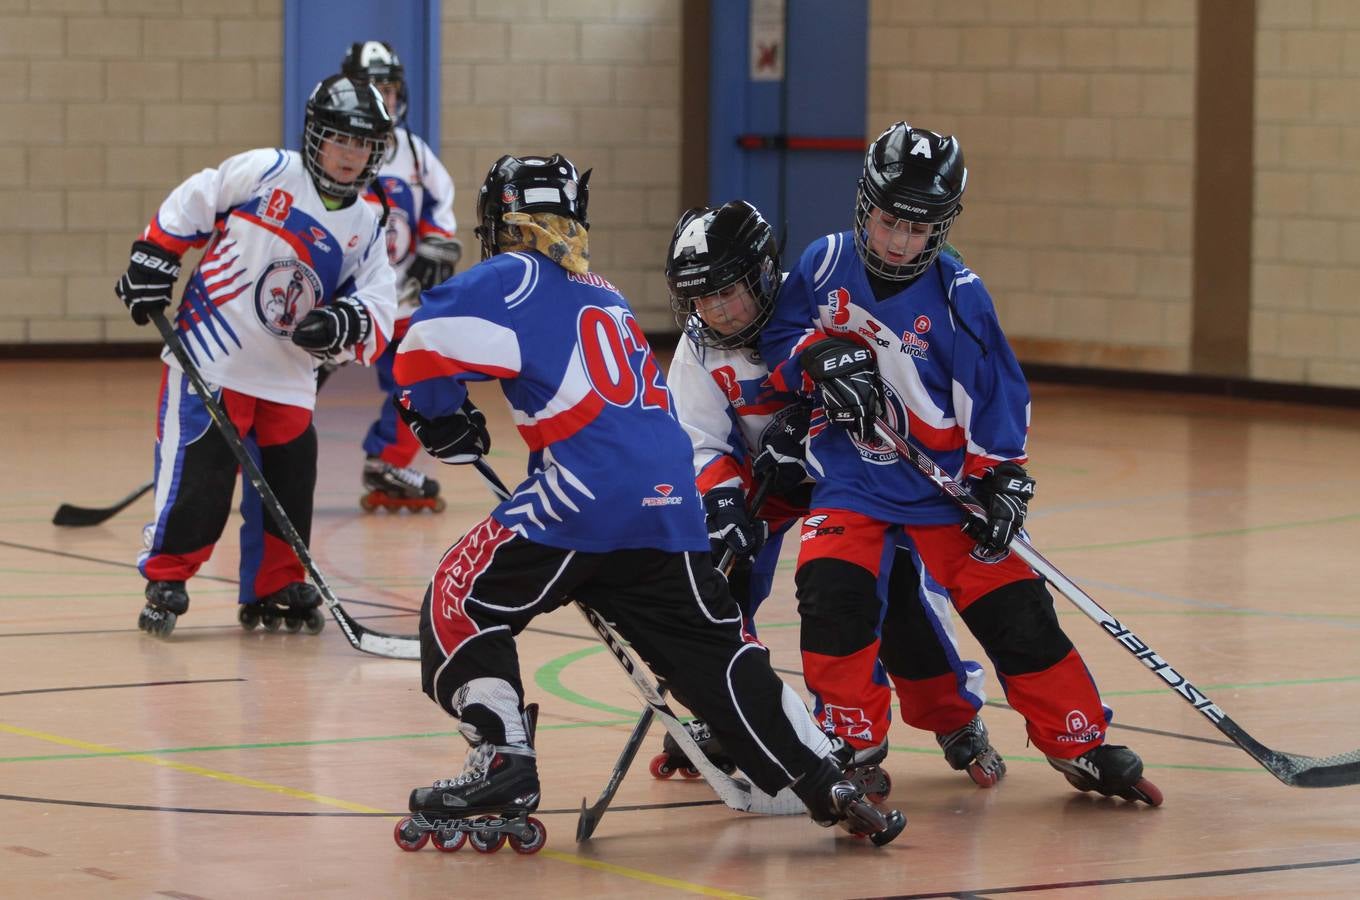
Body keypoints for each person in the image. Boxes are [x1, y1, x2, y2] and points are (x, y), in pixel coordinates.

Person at [388, 154, 906, 852]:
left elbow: (422, 340)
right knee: (712, 650)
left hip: (584, 496)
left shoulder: (516, 272)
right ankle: (823, 776)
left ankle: (502, 755)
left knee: (459, 594)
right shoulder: (600, 290)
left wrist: (438, 412)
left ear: (503, 223)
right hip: (669, 501)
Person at [757, 122, 1161, 806]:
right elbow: (781, 337)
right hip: (852, 482)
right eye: (888, 222)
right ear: (866, 207)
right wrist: (814, 360)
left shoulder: (959, 295)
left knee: (1019, 612)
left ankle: (1078, 741)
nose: (898, 243)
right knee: (832, 598)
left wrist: (1001, 481)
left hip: (945, 491)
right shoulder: (825, 264)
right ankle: (851, 742)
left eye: (919, 230)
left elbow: (998, 396)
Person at [658, 199, 1005, 790]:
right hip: (759, 487)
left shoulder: (816, 301)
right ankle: (726, 715)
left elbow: (885, 384)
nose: (714, 311)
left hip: (843, 481)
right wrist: (720, 502)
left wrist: (812, 421)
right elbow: (696, 439)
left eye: (727, 291)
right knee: (716, 585)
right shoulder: (698, 352)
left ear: (765, 275)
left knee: (893, 598)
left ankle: (952, 716)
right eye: (699, 298)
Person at [117, 75, 398, 637]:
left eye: (362, 144)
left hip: (289, 377)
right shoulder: (268, 170)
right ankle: (168, 574)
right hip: (211, 361)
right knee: (200, 477)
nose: (349, 154)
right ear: (315, 136)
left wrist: (348, 320)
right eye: (339, 139)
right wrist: (155, 254)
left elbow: (378, 301)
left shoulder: (367, 224)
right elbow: (198, 196)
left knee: (291, 484)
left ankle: (275, 583)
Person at [339, 40, 462, 513]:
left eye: (389, 89)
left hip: (403, 299)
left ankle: (387, 462)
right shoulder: (335, 149)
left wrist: (435, 242)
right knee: (286, 385)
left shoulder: (412, 151)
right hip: (342, 303)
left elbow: (440, 202)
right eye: (372, 89)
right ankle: (247, 461)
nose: (383, 99)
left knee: (426, 380)